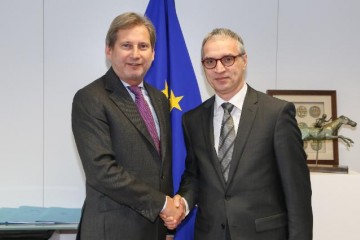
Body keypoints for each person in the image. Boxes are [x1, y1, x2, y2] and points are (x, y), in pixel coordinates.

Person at [164, 28, 313, 239]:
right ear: (203, 67)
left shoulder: (277, 114)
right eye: (210, 62)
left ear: (244, 60)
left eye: (228, 59)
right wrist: (183, 203)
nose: (219, 68)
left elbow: (298, 193)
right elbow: (194, 176)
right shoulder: (192, 119)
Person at [72, 12, 184, 240]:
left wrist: (168, 225)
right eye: (126, 45)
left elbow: (161, 167)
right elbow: (102, 172)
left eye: (143, 46)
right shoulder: (90, 98)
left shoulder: (159, 100)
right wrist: (163, 204)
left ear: (153, 53)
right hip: (112, 231)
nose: (135, 54)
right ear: (109, 49)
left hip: (154, 230)